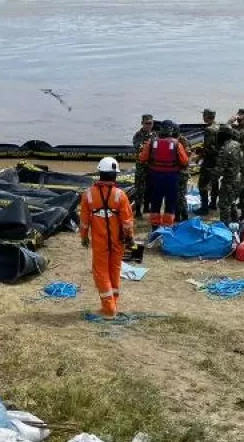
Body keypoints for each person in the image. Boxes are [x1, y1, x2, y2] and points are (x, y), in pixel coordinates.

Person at [80, 157, 135, 320]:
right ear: (115, 175)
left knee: (101, 273)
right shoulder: (120, 195)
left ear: (99, 173)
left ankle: (109, 309)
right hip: (118, 242)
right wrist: (130, 238)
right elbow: (127, 221)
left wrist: (84, 237)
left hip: (99, 242)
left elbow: (84, 220)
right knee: (115, 271)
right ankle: (113, 304)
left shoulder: (88, 195)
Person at [138, 120, 188, 228]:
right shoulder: (177, 144)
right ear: (171, 131)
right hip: (172, 177)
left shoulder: (151, 142)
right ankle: (167, 227)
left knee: (155, 202)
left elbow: (142, 158)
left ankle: (155, 227)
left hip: (155, 177)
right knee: (170, 203)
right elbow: (185, 161)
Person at [196, 109, 222, 216]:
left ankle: (204, 208)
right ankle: (213, 204)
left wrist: (199, 155)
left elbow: (207, 148)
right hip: (218, 160)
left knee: (202, 184)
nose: (203, 117)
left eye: (204, 115)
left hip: (209, 161)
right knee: (215, 182)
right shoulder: (219, 127)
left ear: (207, 116)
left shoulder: (209, 130)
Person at [217, 127, 244, 225]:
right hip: (238, 177)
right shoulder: (236, 144)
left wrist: (211, 179)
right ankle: (235, 222)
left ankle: (224, 228)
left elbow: (219, 169)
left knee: (224, 205)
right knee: (231, 201)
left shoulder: (224, 149)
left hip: (229, 180)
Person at [131, 114, 156, 214]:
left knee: (150, 187)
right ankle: (138, 210)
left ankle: (146, 207)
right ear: (142, 123)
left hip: (151, 166)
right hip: (141, 166)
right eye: (147, 123)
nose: (149, 125)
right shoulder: (138, 135)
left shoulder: (154, 135)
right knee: (139, 188)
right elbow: (139, 147)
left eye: (151, 123)